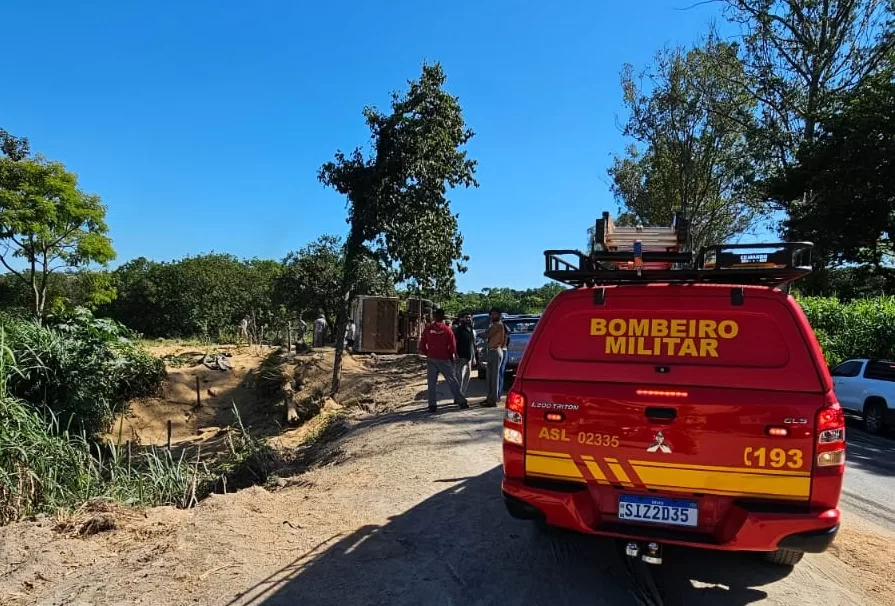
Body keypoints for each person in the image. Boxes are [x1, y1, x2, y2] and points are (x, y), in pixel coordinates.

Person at [419, 308, 468, 412]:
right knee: (452, 381)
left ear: (434, 317)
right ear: (443, 318)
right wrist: (452, 356)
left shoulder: (428, 329)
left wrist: (428, 354)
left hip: (431, 359)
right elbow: (453, 345)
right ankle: (462, 402)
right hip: (444, 359)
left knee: (431, 383)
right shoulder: (447, 329)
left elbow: (422, 345)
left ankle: (432, 405)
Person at [480, 308, 508, 407]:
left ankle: (494, 400)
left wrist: (483, 334)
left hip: (496, 351)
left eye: (495, 314)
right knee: (490, 376)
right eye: (492, 314)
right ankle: (490, 398)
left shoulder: (498, 325)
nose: (493, 316)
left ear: (499, 315)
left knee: (494, 377)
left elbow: (486, 335)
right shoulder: (493, 325)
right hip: (492, 351)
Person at [452, 312, 476, 396]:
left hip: (469, 358)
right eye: (466, 317)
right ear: (462, 319)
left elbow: (472, 344)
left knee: (467, 377)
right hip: (460, 357)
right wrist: (455, 355)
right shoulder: (458, 330)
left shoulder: (471, 330)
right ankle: (457, 396)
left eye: (469, 317)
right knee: (459, 378)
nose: (468, 319)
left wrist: (474, 358)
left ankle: (462, 394)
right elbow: (454, 343)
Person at [498, 320, 511, 396]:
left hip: (502, 351)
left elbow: (504, 343)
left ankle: (498, 393)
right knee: (500, 373)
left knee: (499, 373)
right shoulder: (505, 331)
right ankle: (498, 393)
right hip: (504, 351)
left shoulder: (503, 333)